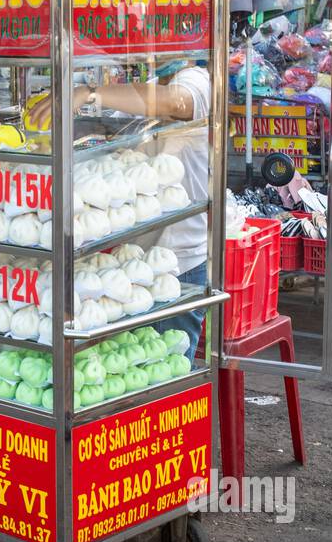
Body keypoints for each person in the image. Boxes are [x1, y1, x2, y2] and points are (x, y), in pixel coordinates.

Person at [30, 64, 211, 361]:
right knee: (134, 367)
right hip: (133, 261)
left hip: (178, 260)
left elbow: (174, 102)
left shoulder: (197, 81)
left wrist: (89, 93)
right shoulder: (152, 83)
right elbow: (119, 135)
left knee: (167, 370)